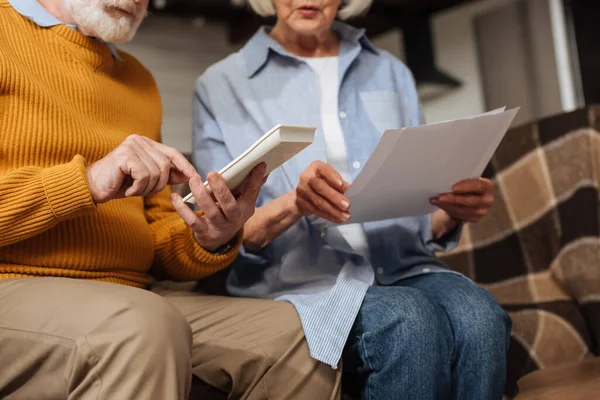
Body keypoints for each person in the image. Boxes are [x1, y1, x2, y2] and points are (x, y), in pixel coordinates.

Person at [0, 0, 342, 399]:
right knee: (140, 325)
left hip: (131, 296)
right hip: (14, 285)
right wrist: (87, 181)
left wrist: (209, 236)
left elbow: (158, 240)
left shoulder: (138, 79)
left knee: (300, 336)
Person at [192, 0, 512, 399]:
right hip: (308, 280)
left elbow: (421, 215)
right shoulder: (220, 85)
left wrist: (452, 209)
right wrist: (296, 203)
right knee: (408, 319)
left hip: (404, 265)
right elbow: (226, 233)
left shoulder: (391, 71)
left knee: (481, 317)